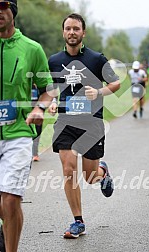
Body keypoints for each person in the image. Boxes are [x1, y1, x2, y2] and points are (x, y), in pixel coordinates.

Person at [48, 13, 120, 238]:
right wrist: (51, 100)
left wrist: (98, 91)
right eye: (68, 28)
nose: (71, 32)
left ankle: (102, 172)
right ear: (63, 32)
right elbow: (52, 88)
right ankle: (77, 221)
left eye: (76, 29)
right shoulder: (53, 60)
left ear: (83, 32)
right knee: (69, 170)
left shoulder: (96, 59)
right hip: (65, 122)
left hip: (91, 123)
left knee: (90, 176)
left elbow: (116, 83)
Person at [0, 1, 54, 251]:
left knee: (11, 199)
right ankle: (9, 220)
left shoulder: (31, 48)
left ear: (13, 10)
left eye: (2, 5)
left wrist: (40, 108)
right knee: (2, 206)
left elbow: (48, 89)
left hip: (18, 133)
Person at [31, 84, 43, 162]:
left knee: (38, 131)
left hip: (38, 111)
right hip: (25, 110)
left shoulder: (39, 85)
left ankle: (35, 153)